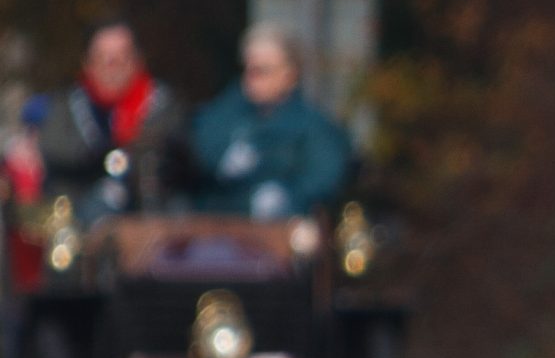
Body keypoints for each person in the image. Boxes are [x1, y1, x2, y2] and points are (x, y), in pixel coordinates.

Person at [11, 20, 191, 217]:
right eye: (104, 59)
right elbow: (52, 151)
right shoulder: (64, 111)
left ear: (138, 61)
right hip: (80, 218)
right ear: (87, 64)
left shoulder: (164, 107)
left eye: (122, 59)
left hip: (155, 215)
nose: (113, 69)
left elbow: (179, 160)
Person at [191, 24, 353, 219]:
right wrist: (219, 159)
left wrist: (288, 196)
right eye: (248, 69)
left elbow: (323, 177)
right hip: (220, 223)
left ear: (289, 75)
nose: (251, 78)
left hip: (280, 228)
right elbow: (197, 153)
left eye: (262, 71)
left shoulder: (313, 127)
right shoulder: (224, 112)